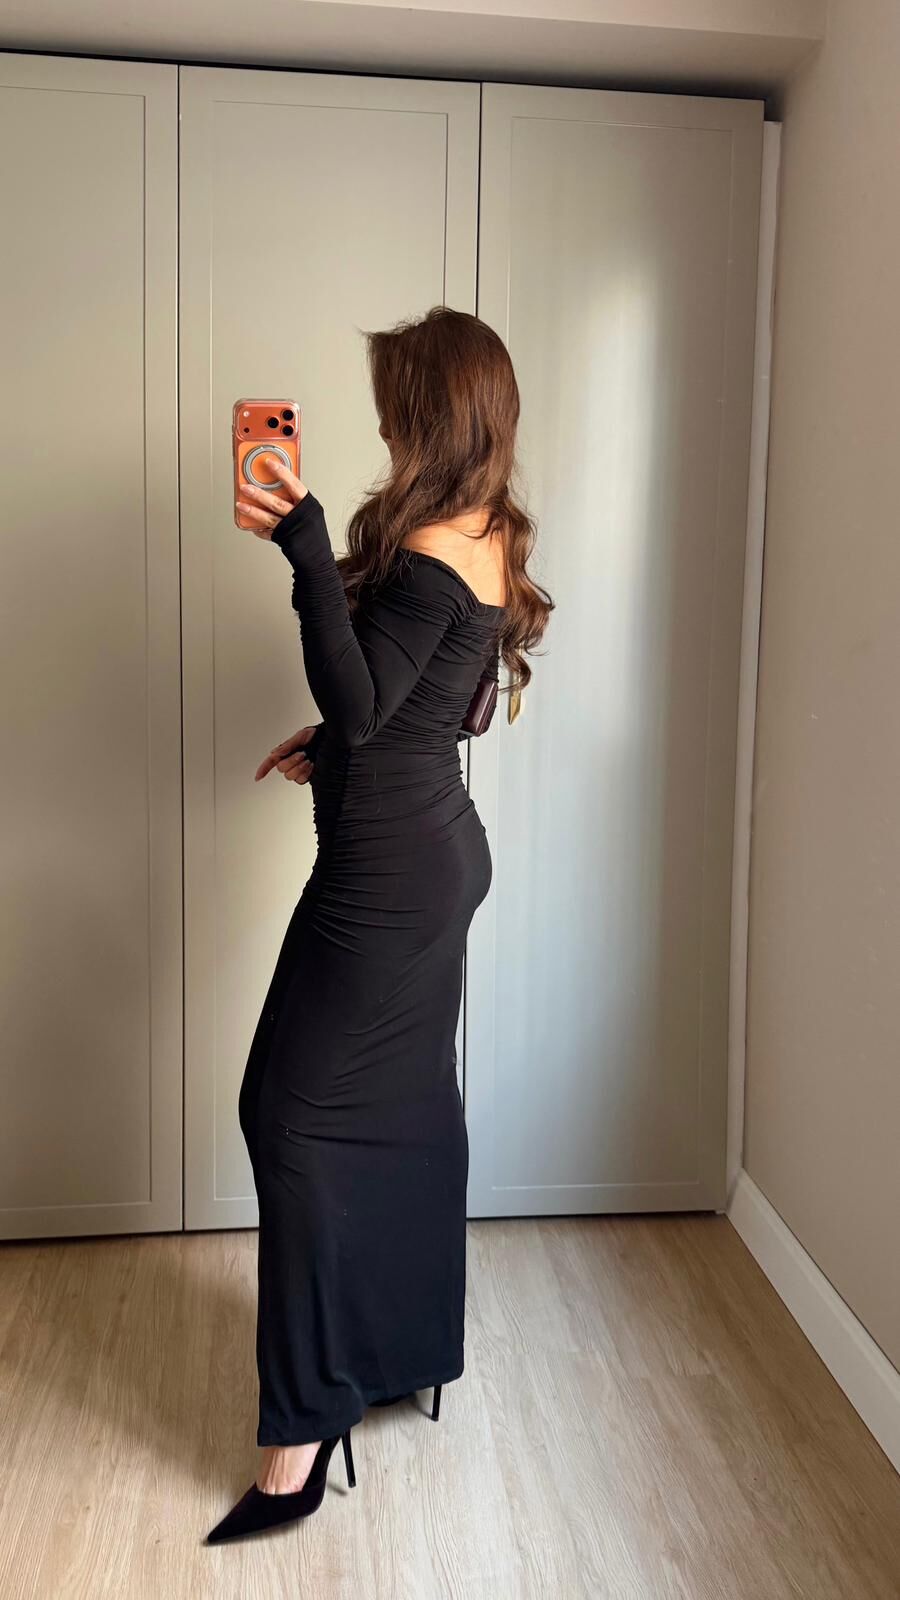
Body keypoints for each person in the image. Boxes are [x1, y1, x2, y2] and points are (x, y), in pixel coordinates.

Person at [206, 306, 553, 1545]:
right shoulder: (486, 528)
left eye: (395, 405)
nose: (384, 425)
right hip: (426, 856)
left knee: (289, 1115)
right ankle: (401, 1349)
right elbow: (428, 702)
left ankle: (301, 1435)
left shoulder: (426, 549)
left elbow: (362, 705)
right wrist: (338, 752)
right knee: (401, 1108)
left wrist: (302, 540)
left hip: (389, 880)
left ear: (430, 414)